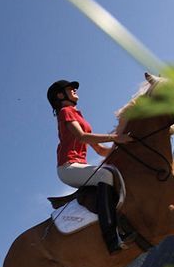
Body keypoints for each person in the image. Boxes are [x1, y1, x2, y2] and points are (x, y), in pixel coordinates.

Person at [47, 79, 132, 253]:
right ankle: (112, 239)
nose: (75, 90)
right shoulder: (65, 111)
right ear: (60, 95)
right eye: (70, 88)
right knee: (106, 175)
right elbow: (83, 137)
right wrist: (116, 138)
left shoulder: (78, 116)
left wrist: (125, 149)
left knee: (116, 171)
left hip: (79, 166)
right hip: (68, 168)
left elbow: (100, 150)